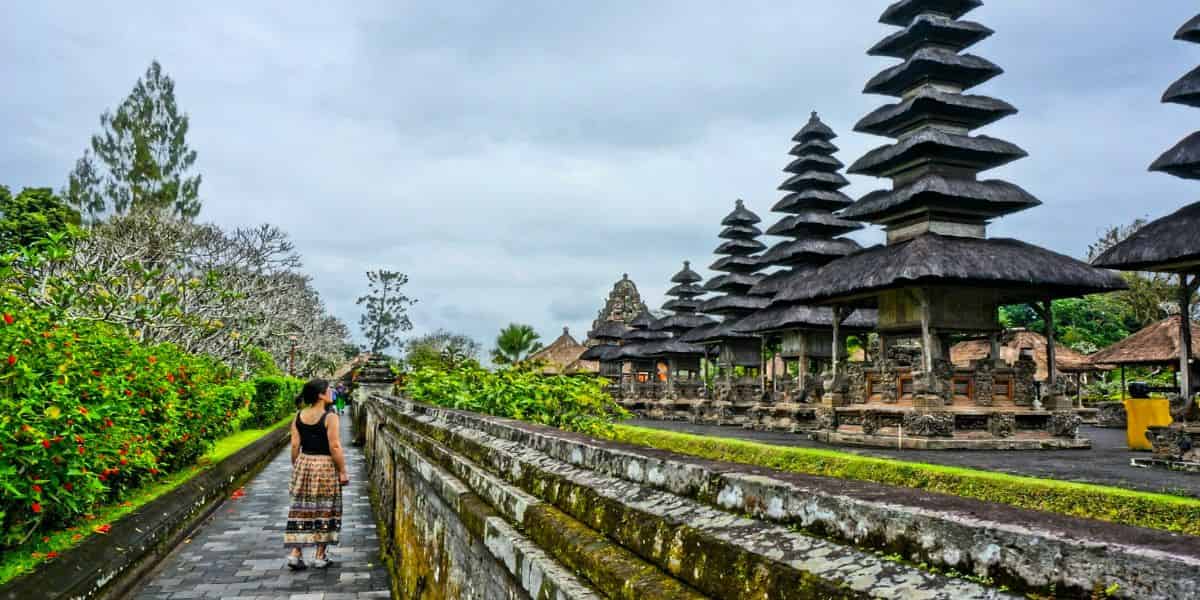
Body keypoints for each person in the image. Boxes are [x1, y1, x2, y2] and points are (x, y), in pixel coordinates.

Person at [284, 379, 348, 570]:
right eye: (329, 390)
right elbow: (335, 446)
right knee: (325, 508)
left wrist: (297, 466)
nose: (332, 393)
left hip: (304, 462)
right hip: (325, 465)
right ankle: (320, 555)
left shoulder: (298, 416)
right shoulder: (330, 417)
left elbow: (295, 445)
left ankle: (296, 553)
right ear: (321, 395)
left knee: (301, 507)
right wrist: (343, 471)